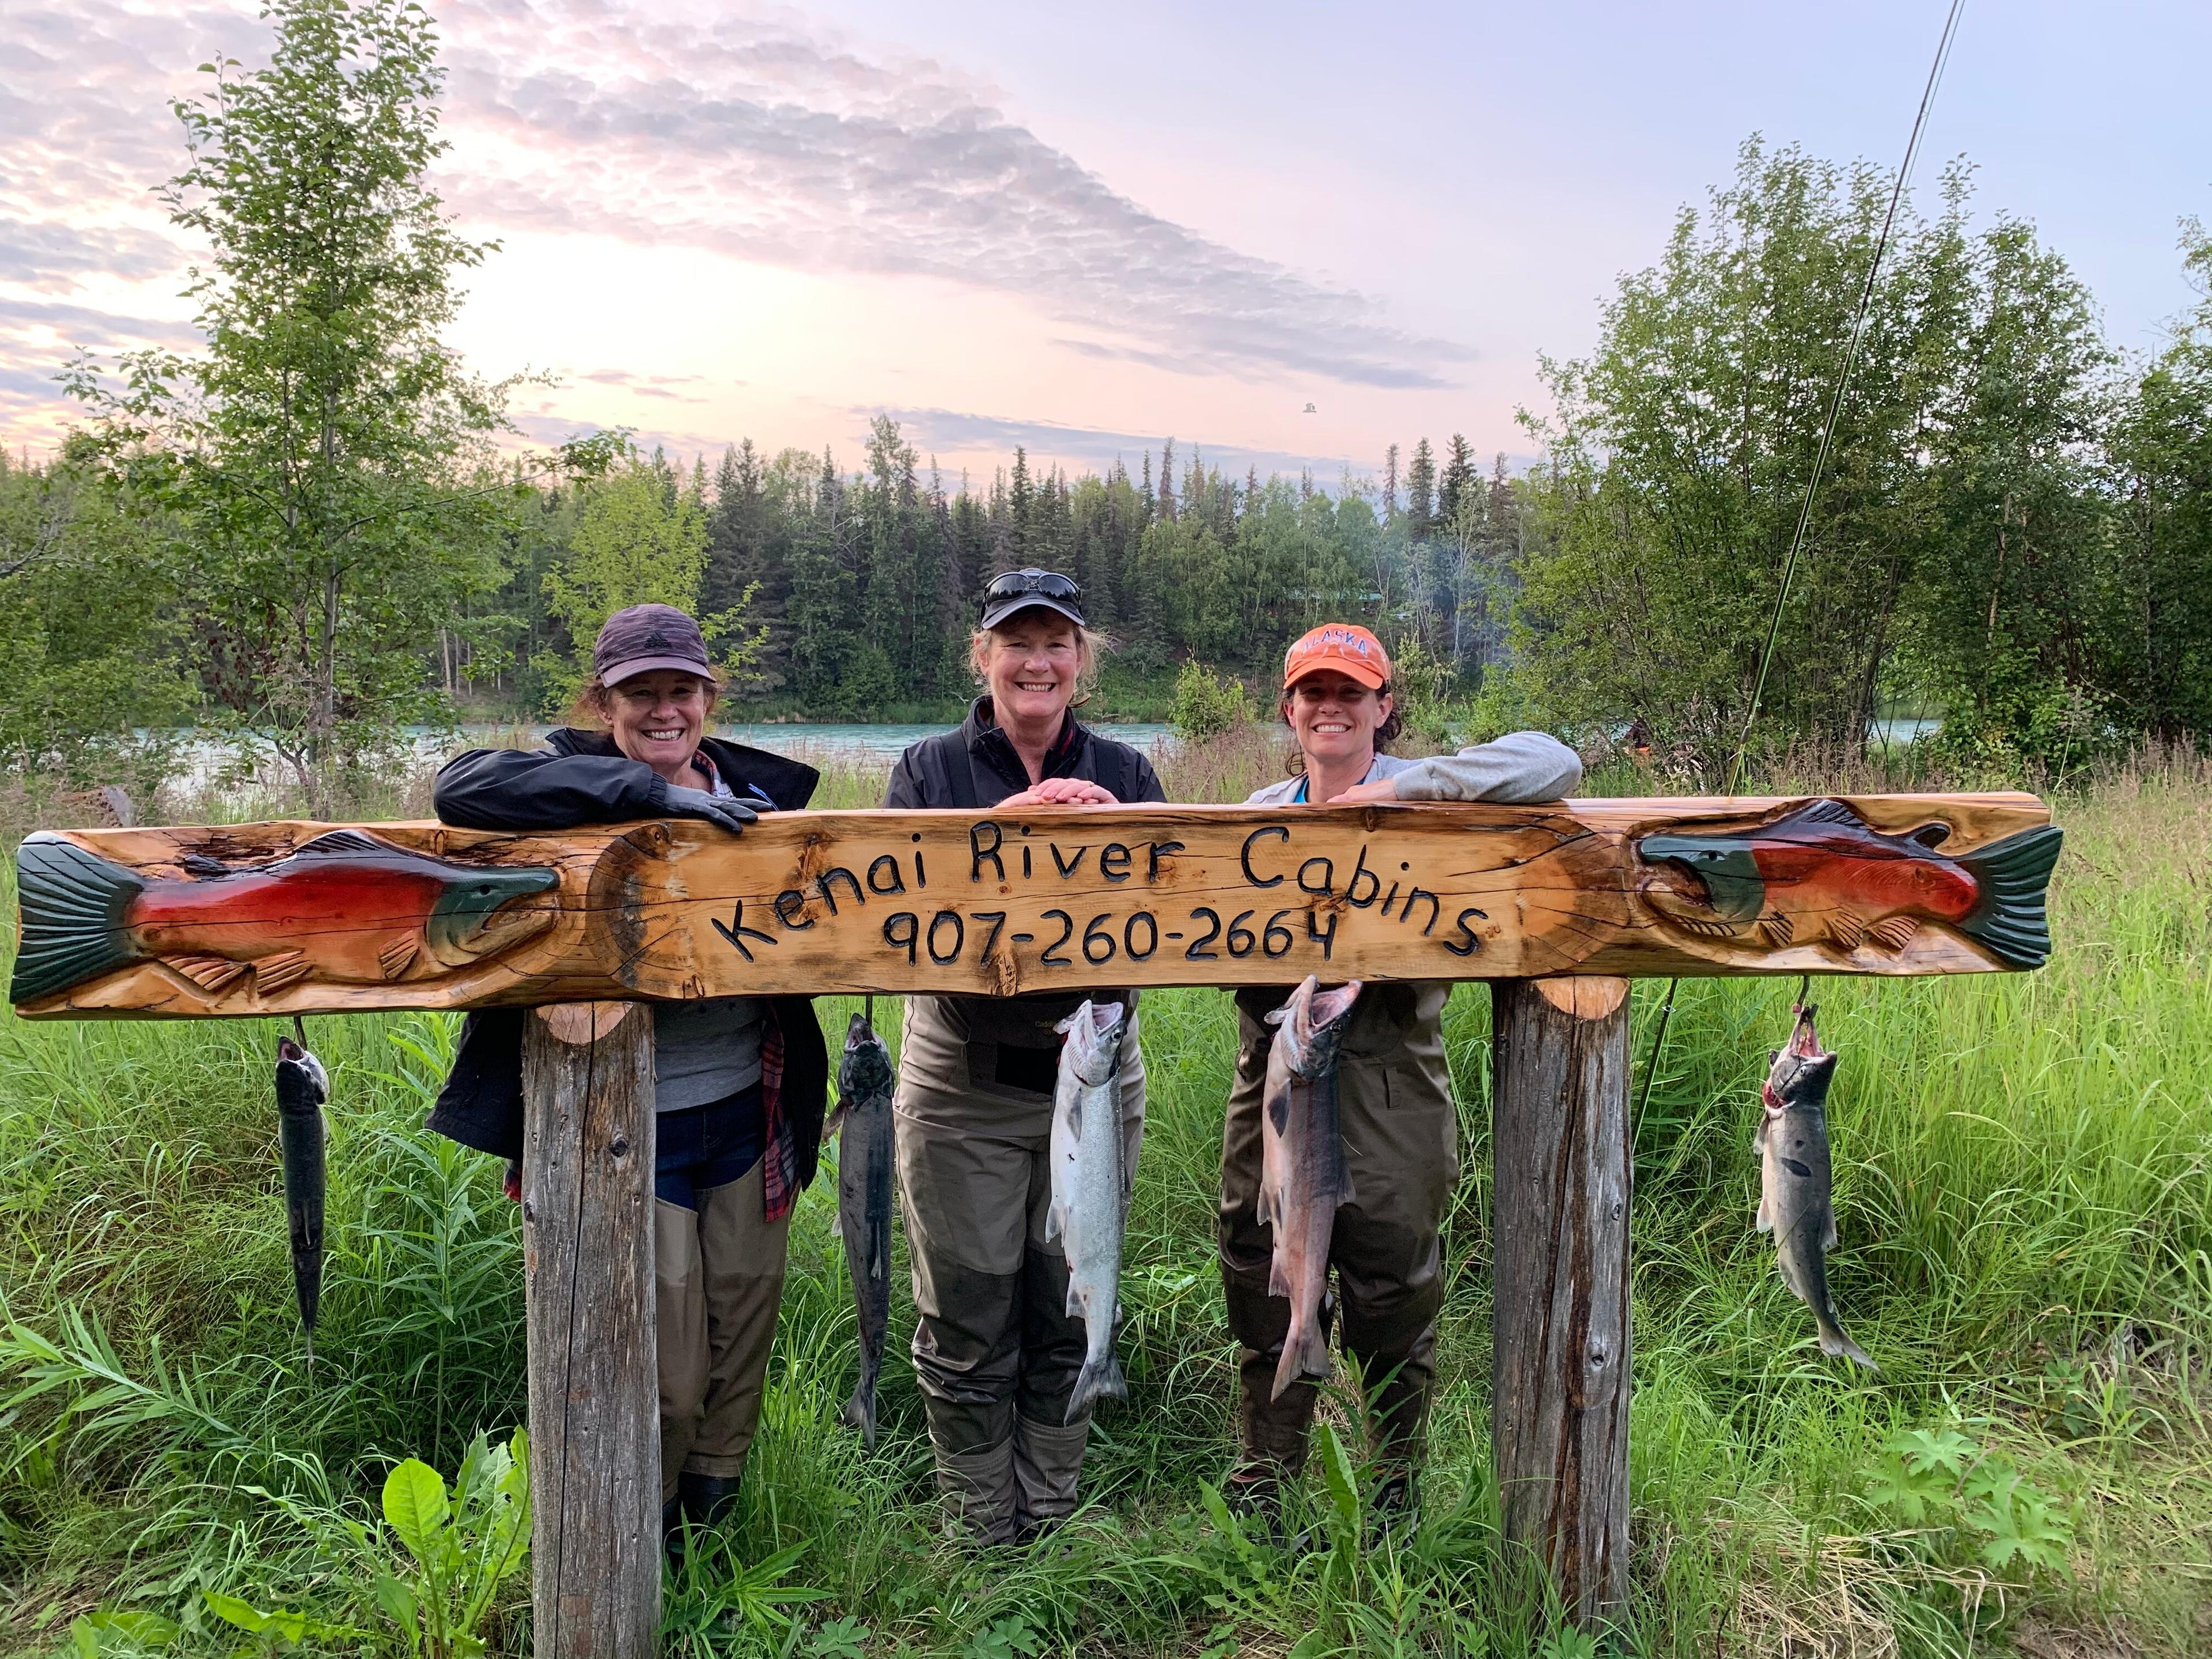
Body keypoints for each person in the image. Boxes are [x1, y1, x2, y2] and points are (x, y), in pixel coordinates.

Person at [425, 603, 830, 1539]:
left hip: (748, 1117)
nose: (663, 712)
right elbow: (459, 789)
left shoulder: (765, 801)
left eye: (679, 691)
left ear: (706, 698)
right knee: (665, 1382)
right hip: (617, 1132)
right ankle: (629, 1551)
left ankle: (708, 1550)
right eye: (638, 694)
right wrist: (649, 798)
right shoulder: (554, 781)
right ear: (603, 702)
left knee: (738, 1358)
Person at [1218, 622, 1582, 1528]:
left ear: (1385, 706)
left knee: (1394, 1286)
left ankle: (1394, 1491)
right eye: (1314, 693)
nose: (1330, 707)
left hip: (1392, 1081)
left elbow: (1557, 761)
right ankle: (1266, 1483)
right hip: (1272, 1074)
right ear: (1289, 709)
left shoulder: (1429, 800)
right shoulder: (1259, 808)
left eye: (1352, 692)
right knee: (1263, 1274)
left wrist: (1399, 789)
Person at [881, 569, 1165, 1544]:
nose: (1036, 660)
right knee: (966, 1307)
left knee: (1067, 1301)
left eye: (1056, 642)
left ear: (1081, 663)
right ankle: (976, 1522)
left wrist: (1111, 836)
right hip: (962, 1081)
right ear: (984, 656)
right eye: (1017, 641)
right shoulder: (926, 771)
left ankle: (1048, 1506)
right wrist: (1007, 831)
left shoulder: (1128, 774)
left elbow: (1176, 914)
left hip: (1091, 1077)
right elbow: (892, 915)